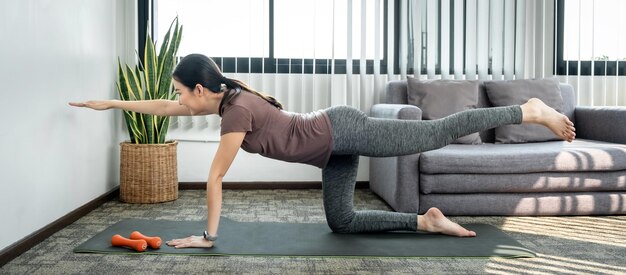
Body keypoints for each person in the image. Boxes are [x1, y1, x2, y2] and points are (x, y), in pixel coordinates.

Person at [69, 53, 576, 249]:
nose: (180, 99)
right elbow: (164, 106)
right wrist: (110, 101)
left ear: (201, 90)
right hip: (330, 147)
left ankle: (527, 110)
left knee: (434, 133)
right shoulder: (226, 100)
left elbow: (216, 178)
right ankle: (425, 221)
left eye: (183, 91)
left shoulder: (236, 112)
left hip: (343, 130)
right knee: (343, 221)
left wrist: (207, 235)